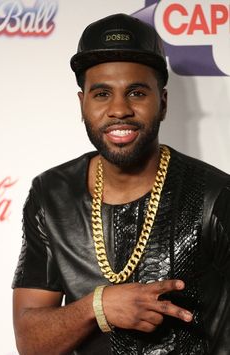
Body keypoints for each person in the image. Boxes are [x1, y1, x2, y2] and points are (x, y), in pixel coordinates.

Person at [12, 13, 230, 355]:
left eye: (137, 92)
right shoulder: (51, 195)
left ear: (163, 103)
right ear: (82, 103)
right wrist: (99, 307)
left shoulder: (215, 197)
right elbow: (30, 343)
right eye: (101, 94)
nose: (119, 110)